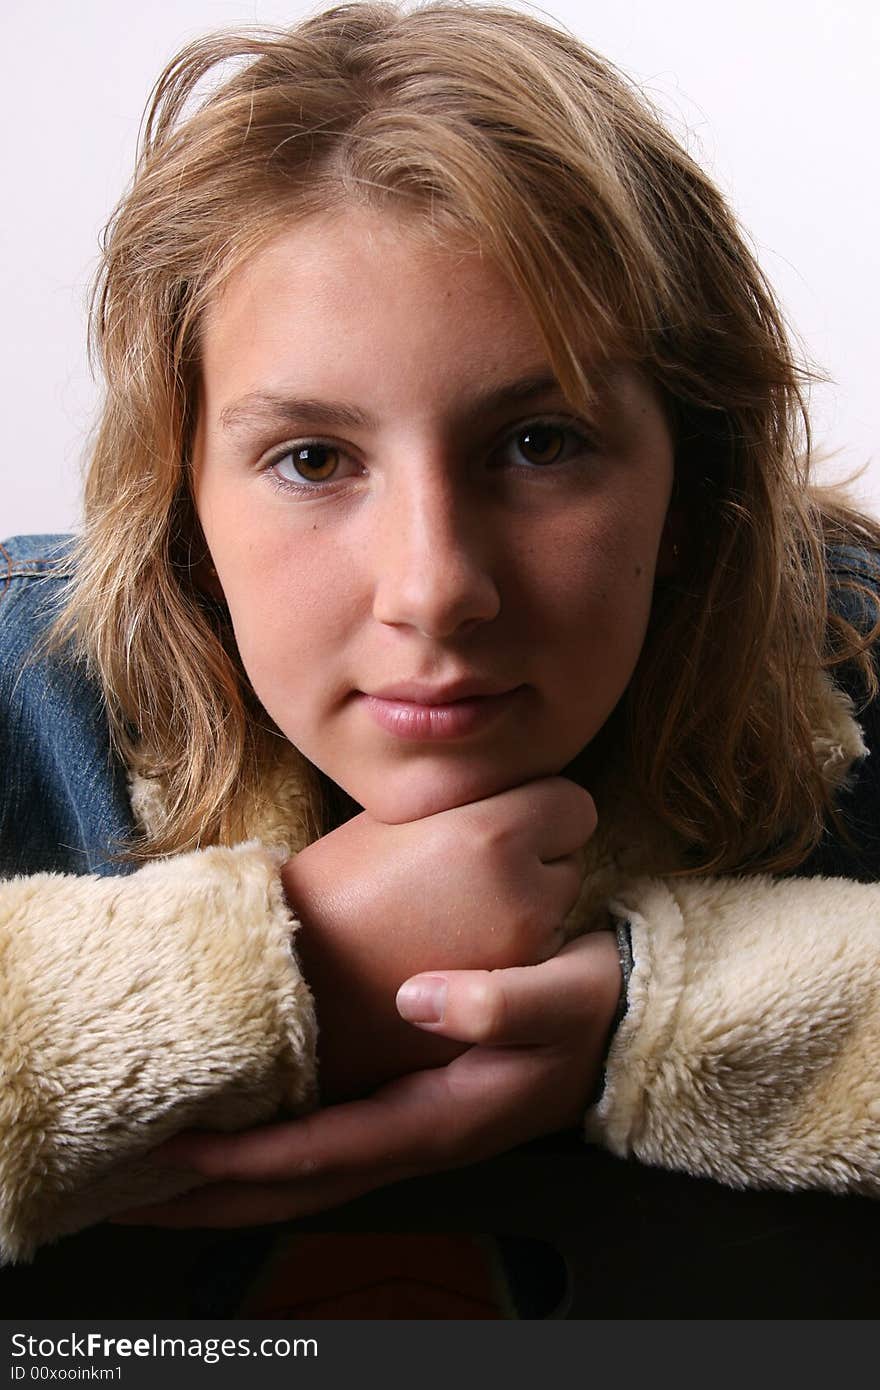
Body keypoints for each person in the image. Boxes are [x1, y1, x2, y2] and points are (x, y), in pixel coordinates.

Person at [2, 0, 879, 1317]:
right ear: (183, 497)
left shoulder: (852, 657)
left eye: (540, 442)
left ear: (691, 479)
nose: (436, 589)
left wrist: (658, 1014)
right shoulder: (24, 677)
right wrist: (295, 971)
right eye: (311, 459)